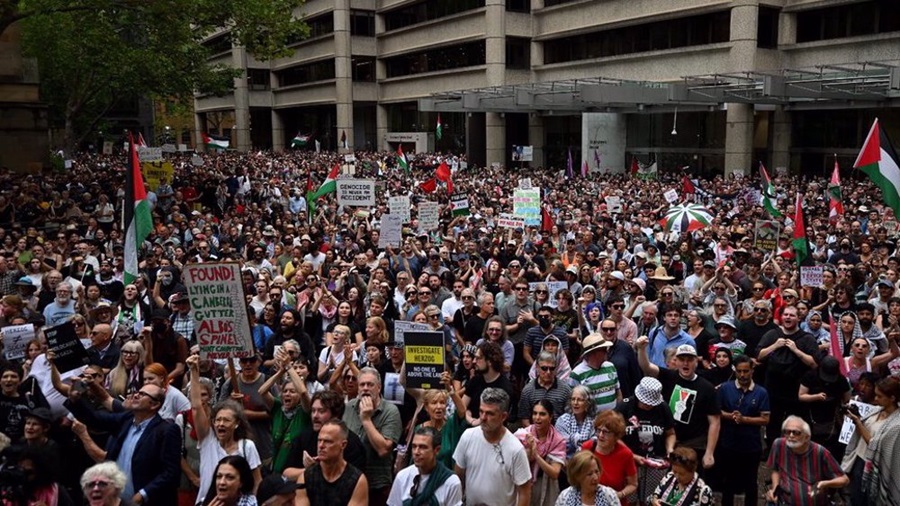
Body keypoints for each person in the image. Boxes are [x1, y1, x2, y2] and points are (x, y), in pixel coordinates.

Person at [65, 379, 181, 505]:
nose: (136, 395)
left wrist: (143, 494)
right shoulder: (126, 419)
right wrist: (75, 401)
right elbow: (94, 420)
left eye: (143, 395)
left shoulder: (166, 430)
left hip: (148, 502)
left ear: (154, 405)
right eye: (138, 392)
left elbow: (171, 472)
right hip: (118, 500)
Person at [186, 355, 262, 505]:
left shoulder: (247, 447)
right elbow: (196, 407)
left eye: (226, 420)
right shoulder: (207, 440)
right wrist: (194, 372)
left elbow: (257, 481)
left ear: (237, 424)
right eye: (218, 420)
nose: (220, 424)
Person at [636, 340, 720, 472]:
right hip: (668, 439)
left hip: (693, 444)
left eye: (690, 360)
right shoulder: (669, 376)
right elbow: (646, 367)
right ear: (676, 361)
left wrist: (709, 452)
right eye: (682, 359)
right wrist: (641, 349)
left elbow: (714, 422)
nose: (685, 363)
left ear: (696, 362)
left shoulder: (707, 388)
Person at [453, 387, 533, 506]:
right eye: (481, 411)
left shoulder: (515, 449)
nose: (483, 418)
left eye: (490, 413)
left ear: (503, 416)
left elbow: (524, 492)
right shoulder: (467, 437)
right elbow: (458, 477)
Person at [715, 354, 770, 506]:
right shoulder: (725, 388)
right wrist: (731, 416)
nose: (742, 375)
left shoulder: (761, 392)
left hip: (751, 445)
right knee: (728, 482)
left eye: (746, 371)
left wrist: (744, 419)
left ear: (752, 370)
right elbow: (716, 412)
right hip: (729, 443)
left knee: (751, 483)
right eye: (739, 371)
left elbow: (765, 419)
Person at [342, 366, 401, 505]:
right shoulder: (349, 406)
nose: (366, 388)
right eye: (362, 384)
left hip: (377, 486)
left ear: (379, 387)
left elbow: (384, 450)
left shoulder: (390, 411)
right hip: (349, 482)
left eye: (370, 384)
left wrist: (366, 420)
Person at [281, 390, 367, 480]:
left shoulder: (351, 442)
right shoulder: (304, 437)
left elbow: (356, 480)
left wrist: (318, 469)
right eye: (313, 411)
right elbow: (286, 473)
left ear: (335, 415)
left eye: (321, 411)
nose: (315, 416)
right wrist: (311, 470)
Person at [841, 378, 900, 506]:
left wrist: (857, 421)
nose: (876, 399)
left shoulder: (896, 424)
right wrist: (856, 417)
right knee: (856, 497)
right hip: (860, 459)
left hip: (876, 467)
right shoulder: (877, 410)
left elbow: (875, 445)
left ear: (892, 398)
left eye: (880, 396)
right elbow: (867, 427)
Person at [765, 415, 849, 506]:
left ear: (807, 437)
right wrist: (774, 489)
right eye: (787, 432)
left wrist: (825, 484)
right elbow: (776, 469)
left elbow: (844, 480)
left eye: (796, 432)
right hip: (785, 501)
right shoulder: (779, 445)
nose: (791, 436)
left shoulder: (820, 452)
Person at [616, 377, 675, 503]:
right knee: (629, 499)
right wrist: (632, 455)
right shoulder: (624, 407)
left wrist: (670, 449)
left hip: (656, 462)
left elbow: (670, 433)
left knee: (651, 499)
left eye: (651, 403)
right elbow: (614, 438)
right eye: (645, 402)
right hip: (628, 461)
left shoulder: (663, 408)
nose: (648, 405)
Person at [295, 419, 369, 506]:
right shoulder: (306, 477)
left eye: (328, 441)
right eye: (319, 440)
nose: (321, 446)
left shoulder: (357, 480)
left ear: (343, 445)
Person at [387, 426, 464, 506]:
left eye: (423, 447)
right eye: (414, 447)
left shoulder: (451, 482)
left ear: (437, 450)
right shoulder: (402, 477)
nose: (416, 452)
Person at [514, 399, 566, 505]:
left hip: (546, 485)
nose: (537, 418)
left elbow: (555, 473)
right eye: (535, 413)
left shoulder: (557, 440)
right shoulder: (523, 435)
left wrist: (537, 455)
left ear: (550, 417)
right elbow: (512, 461)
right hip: (522, 483)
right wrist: (528, 451)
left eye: (542, 414)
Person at [581, 410, 637, 505]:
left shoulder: (625, 454)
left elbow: (633, 484)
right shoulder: (587, 448)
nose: (601, 435)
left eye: (606, 432)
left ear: (616, 436)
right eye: (599, 430)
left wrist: (619, 494)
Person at [570, 332, 621, 412]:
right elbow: (572, 402)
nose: (607, 351)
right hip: (590, 422)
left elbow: (618, 392)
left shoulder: (610, 366)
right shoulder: (577, 373)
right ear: (594, 352)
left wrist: (618, 412)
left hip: (612, 419)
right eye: (604, 349)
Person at [519, 351, 572, 424]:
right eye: (544, 368)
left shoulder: (565, 390)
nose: (548, 372)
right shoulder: (528, 390)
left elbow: (570, 416)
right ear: (537, 367)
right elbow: (524, 417)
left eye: (552, 368)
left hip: (559, 432)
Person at [648, 447, 713, 506]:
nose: (677, 476)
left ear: (693, 470)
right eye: (675, 472)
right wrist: (654, 500)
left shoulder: (703, 491)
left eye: (682, 474)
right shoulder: (669, 477)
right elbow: (652, 496)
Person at [555, 450, 620, 506]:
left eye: (597, 471)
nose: (595, 477)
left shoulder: (609, 495)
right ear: (577, 476)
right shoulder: (565, 497)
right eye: (589, 474)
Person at [556, 385, 597, 461]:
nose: (575, 403)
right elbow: (561, 447)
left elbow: (596, 444)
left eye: (580, 400)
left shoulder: (595, 421)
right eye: (573, 399)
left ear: (588, 403)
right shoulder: (562, 421)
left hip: (590, 462)